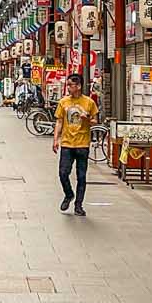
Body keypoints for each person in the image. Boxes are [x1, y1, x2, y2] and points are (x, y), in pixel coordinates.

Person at [54, 70, 99, 217]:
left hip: (82, 144)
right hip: (67, 143)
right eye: (68, 85)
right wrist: (56, 139)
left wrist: (86, 119)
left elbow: (95, 121)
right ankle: (69, 194)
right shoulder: (63, 102)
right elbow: (59, 121)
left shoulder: (89, 102)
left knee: (81, 176)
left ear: (78, 86)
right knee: (63, 173)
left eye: (71, 85)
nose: (68, 88)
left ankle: (78, 205)